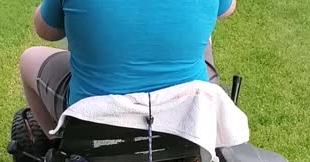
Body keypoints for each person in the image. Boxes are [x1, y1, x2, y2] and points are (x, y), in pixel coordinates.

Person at [20, 0, 236, 139]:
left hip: (95, 117)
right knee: (204, 34)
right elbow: (228, 9)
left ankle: (58, 147)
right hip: (188, 109)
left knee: (29, 59)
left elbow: (45, 30)